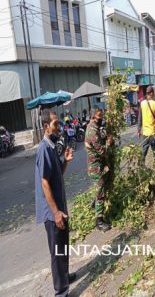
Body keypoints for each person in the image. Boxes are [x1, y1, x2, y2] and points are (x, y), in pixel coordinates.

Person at [35, 109, 75, 297]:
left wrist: (65, 161)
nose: (58, 127)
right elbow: (44, 183)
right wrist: (56, 212)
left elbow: (58, 172)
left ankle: (65, 277)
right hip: (53, 212)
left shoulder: (52, 146)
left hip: (60, 207)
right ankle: (61, 292)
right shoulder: (43, 148)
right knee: (57, 252)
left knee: (63, 246)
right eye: (55, 124)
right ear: (46, 127)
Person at [85, 108, 113, 231]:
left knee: (104, 185)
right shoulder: (92, 131)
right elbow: (101, 151)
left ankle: (95, 203)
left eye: (101, 116)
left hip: (99, 166)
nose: (101, 119)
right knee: (101, 192)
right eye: (99, 117)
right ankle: (99, 221)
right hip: (96, 167)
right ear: (93, 117)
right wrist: (109, 143)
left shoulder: (95, 128)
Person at [138, 86, 155, 158]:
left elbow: (140, 118)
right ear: (152, 93)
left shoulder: (142, 103)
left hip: (145, 133)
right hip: (153, 133)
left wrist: (139, 130)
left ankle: (141, 166)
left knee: (144, 152)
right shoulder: (154, 104)